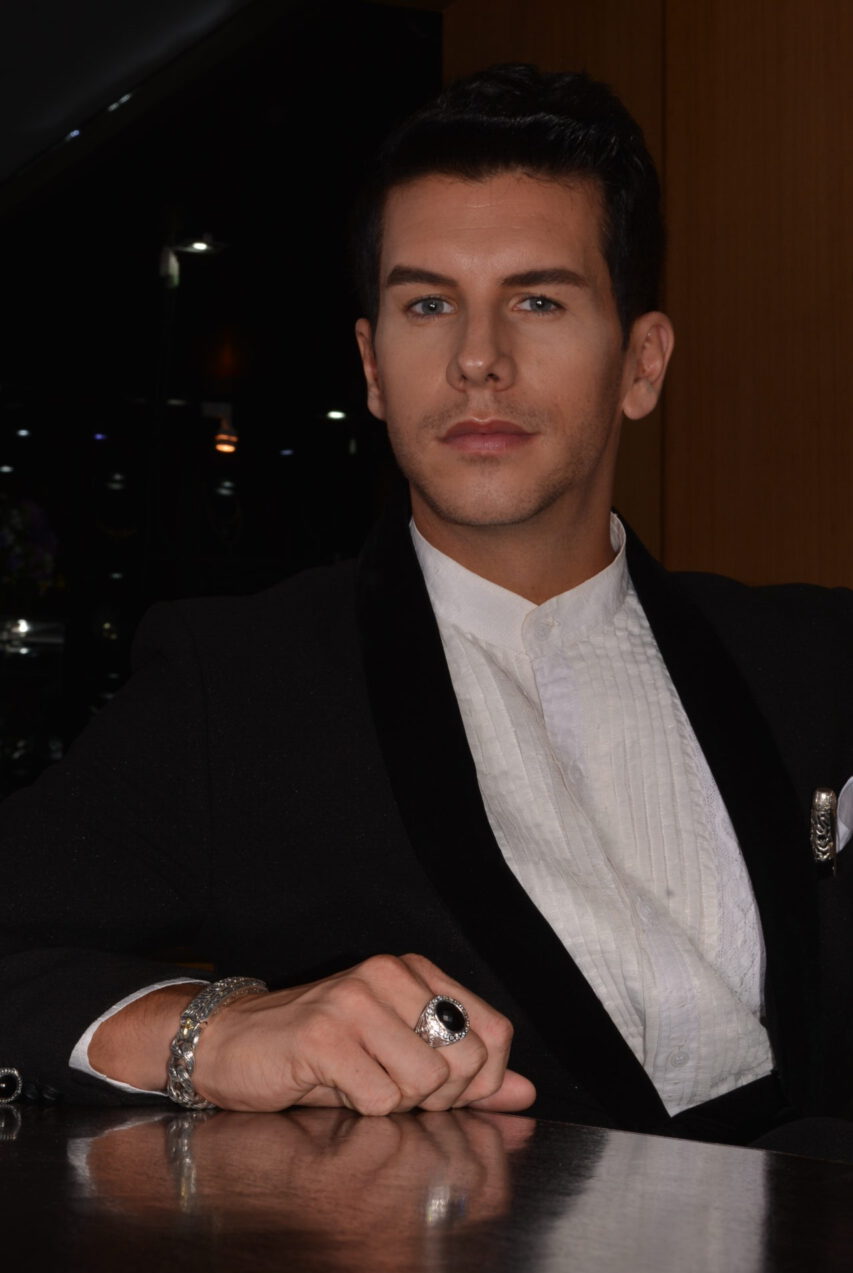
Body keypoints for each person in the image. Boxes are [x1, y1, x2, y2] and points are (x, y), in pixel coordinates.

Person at [2, 65, 852, 1149]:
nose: (477, 360)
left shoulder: (818, 659)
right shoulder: (243, 685)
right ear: (371, 365)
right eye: (427, 304)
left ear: (640, 363)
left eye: (537, 300)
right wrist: (209, 1033)